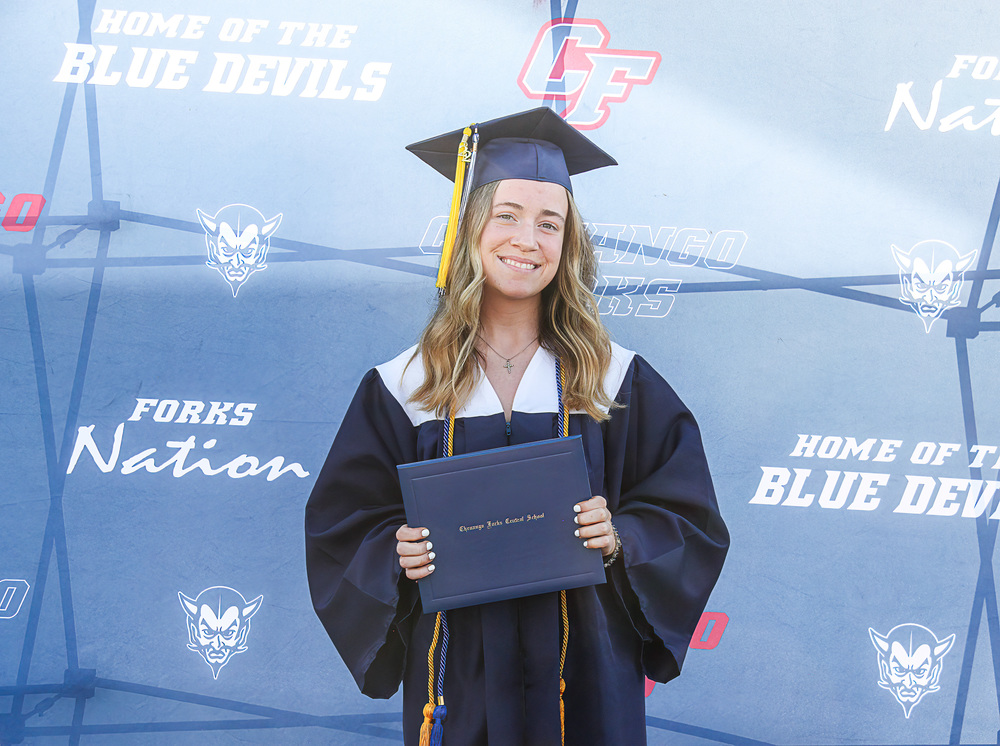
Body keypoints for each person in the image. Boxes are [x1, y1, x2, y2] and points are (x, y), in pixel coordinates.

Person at [305, 108, 729, 746]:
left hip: (584, 679)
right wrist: (395, 553)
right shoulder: (404, 386)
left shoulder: (614, 381)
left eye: (549, 223)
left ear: (570, 243)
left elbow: (689, 517)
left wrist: (621, 536)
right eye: (506, 215)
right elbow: (342, 526)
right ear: (470, 228)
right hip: (457, 679)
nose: (527, 239)